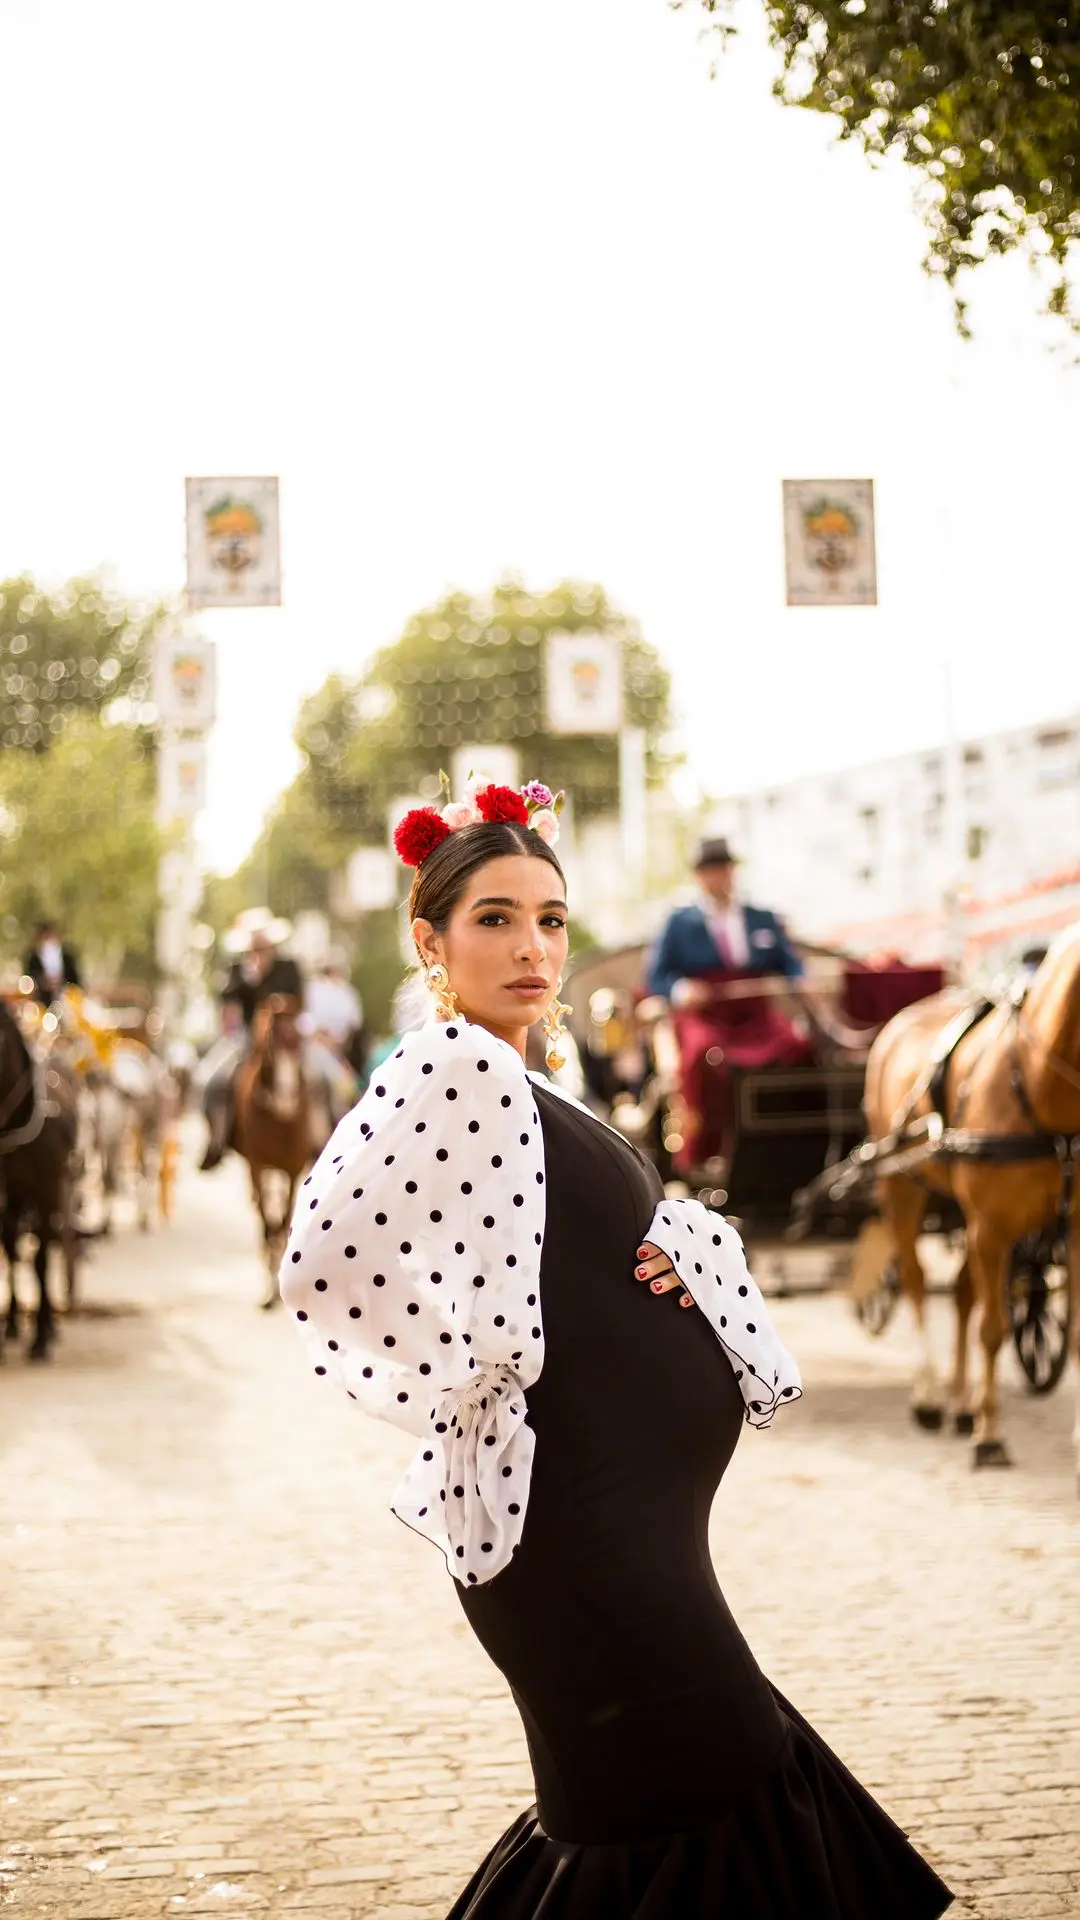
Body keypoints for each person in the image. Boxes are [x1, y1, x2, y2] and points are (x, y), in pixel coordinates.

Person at [279, 777, 953, 1920]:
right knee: (707, 1790)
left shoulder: (525, 1073)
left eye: (550, 918)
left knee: (664, 1806)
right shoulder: (456, 1066)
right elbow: (326, 1252)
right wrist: (481, 1363)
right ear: (430, 938)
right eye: (494, 918)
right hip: (586, 1548)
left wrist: (673, 1250)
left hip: (619, 1538)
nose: (532, 945)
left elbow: (552, 1238)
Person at [645, 837, 813, 1175]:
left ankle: (792, 1139)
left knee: (799, 1047)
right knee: (703, 1055)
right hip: (705, 1014)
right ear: (699, 876)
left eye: (724, 869)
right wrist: (681, 989)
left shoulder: (761, 917)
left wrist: (800, 979)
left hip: (755, 1013)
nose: (719, 877)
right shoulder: (679, 922)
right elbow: (656, 976)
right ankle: (707, 1148)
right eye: (711, 870)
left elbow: (789, 963)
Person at [198, 919, 305, 1170]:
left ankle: (322, 1138)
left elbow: (300, 999)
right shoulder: (239, 970)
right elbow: (227, 1000)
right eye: (254, 947)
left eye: (263, 946)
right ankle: (218, 1141)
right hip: (247, 1040)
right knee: (212, 1083)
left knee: (322, 1080)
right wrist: (250, 978)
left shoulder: (288, 968)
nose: (259, 952)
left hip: (288, 1039)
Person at [303, 949, 366, 1118]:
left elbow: (351, 1025)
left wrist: (334, 1039)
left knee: (345, 1086)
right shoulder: (313, 989)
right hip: (312, 1047)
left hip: (337, 1051)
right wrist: (319, 1035)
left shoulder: (347, 992)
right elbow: (305, 1019)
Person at [23, 920, 82, 1006]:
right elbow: (28, 978)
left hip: (66, 1000)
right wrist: (42, 982)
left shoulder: (67, 956)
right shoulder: (33, 958)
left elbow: (75, 979)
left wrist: (62, 982)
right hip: (41, 1001)